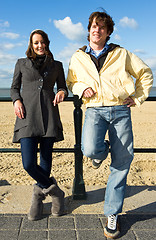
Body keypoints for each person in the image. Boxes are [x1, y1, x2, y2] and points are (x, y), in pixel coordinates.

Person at [66, 11, 153, 239]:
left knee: (122, 161)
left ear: (108, 32)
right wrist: (80, 89)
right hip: (94, 109)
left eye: (102, 27)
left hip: (121, 110)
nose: (97, 30)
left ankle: (112, 214)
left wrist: (138, 96)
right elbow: (71, 81)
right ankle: (99, 152)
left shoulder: (121, 53)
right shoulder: (78, 56)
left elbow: (144, 73)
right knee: (89, 149)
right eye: (94, 26)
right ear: (88, 30)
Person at [10, 29, 68, 221]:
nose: (40, 45)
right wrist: (16, 100)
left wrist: (61, 92)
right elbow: (14, 88)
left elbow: (62, 87)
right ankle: (56, 192)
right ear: (31, 45)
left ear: (47, 43)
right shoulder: (21, 63)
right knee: (28, 163)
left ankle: (37, 198)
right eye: (36, 43)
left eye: (42, 42)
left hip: (49, 116)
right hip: (27, 117)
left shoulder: (57, 65)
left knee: (45, 161)